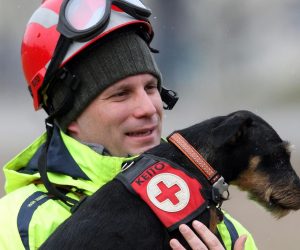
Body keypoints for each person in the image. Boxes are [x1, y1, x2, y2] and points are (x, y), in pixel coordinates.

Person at [0, 0, 257, 249]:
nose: (147, 108)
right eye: (121, 94)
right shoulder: (19, 226)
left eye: (151, 87)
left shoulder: (225, 232)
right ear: (70, 115)